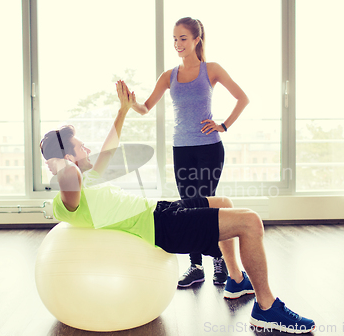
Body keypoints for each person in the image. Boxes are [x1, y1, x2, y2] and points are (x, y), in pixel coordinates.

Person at [40, 81, 315, 334]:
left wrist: (123, 110)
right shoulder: (69, 197)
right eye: (80, 147)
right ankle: (266, 308)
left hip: (160, 210)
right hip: (162, 228)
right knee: (251, 222)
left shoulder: (89, 177)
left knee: (223, 203)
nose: (88, 149)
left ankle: (236, 280)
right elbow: (69, 178)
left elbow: (109, 148)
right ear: (67, 159)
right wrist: (60, 161)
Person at [128, 17, 249, 288]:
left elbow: (243, 98)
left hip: (209, 149)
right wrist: (130, 102)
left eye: (183, 38)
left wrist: (224, 125)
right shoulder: (168, 76)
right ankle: (197, 267)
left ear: (197, 40)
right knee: (189, 207)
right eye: (174, 39)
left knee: (204, 205)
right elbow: (146, 107)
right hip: (181, 149)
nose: (177, 44)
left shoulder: (211, 69)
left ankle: (217, 261)